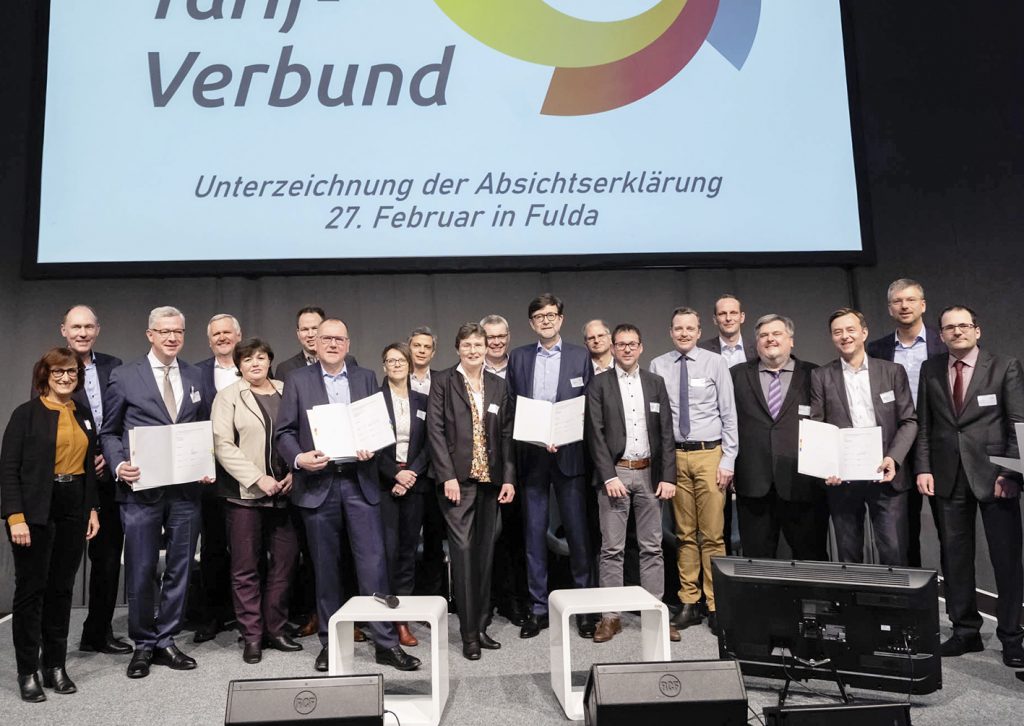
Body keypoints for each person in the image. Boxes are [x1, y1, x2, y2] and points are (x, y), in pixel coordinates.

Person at [274, 318, 420, 673]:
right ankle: (331, 641)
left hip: (360, 484)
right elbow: (284, 432)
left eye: (339, 338)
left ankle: (385, 643)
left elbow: (375, 426)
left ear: (348, 343)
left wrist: (372, 444)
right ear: (315, 342)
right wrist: (298, 458)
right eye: (326, 338)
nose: (333, 344)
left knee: (374, 568)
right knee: (326, 572)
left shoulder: (365, 377)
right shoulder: (297, 380)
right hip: (317, 485)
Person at [99, 306, 214, 679]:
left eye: (178, 332)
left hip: (185, 492)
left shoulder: (196, 374)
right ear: (150, 334)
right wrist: (118, 465)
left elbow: (204, 427)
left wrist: (206, 463)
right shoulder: (124, 375)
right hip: (140, 490)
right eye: (164, 331)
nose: (171, 338)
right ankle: (143, 644)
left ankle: (166, 639)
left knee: (180, 568)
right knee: (141, 568)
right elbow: (110, 432)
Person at [915, 305, 1024, 668]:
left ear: (977, 330)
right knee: (955, 558)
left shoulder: (1003, 365)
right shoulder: (930, 369)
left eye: (964, 326)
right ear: (941, 334)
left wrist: (1011, 475)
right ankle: (965, 631)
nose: (957, 332)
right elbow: (926, 425)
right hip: (947, 475)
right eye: (949, 328)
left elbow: (1018, 423)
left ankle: (1012, 636)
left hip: (996, 477)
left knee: (1006, 560)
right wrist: (924, 467)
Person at [2, 348, 100, 702]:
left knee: (62, 590)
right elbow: (9, 470)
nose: (65, 377)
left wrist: (92, 509)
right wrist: (16, 517)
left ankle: (54, 665)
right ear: (44, 374)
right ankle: (27, 671)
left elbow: (88, 468)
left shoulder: (83, 414)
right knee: (31, 593)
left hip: (73, 506)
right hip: (34, 510)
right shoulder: (26, 414)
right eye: (57, 371)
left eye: (71, 371)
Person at [506, 293, 595, 639]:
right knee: (534, 536)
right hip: (532, 456)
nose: (546, 320)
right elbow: (512, 406)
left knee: (578, 534)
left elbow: (589, 406)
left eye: (551, 314)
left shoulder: (579, 356)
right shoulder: (519, 357)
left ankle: (585, 609)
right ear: (532, 323)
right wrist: (534, 437)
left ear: (561, 319)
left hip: (571, 455)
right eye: (539, 316)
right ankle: (538, 608)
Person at [584, 324, 679, 643]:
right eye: (620, 344)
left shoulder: (655, 383)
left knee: (653, 548)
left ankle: (656, 615)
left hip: (651, 475)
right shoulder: (599, 384)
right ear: (612, 347)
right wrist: (608, 475)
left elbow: (666, 433)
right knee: (612, 549)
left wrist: (668, 476)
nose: (626, 349)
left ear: (641, 348)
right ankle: (610, 617)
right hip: (616, 475)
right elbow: (594, 434)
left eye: (632, 344)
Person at [427, 323, 515, 659]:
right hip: (456, 484)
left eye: (479, 344)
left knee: (484, 555)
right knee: (462, 555)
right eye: (468, 345)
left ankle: (480, 625)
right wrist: (446, 475)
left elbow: (506, 435)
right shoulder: (443, 382)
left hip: (490, 483)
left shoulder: (498, 385)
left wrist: (508, 478)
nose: (475, 350)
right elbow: (434, 431)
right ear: (458, 348)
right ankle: (468, 636)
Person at [211, 338, 301, 664]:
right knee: (245, 568)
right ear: (239, 365)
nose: (255, 364)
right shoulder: (228, 397)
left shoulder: (286, 389)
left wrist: (295, 471)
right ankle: (252, 635)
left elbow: (301, 433)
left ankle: (275, 628)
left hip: (286, 492)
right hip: (245, 496)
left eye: (261, 358)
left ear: (269, 360)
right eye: (247, 359)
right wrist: (256, 478)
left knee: (285, 562)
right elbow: (222, 445)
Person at [650, 306, 737, 635]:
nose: (684, 333)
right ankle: (689, 602)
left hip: (709, 455)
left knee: (713, 536)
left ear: (699, 332)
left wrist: (728, 460)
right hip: (675, 457)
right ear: (670, 332)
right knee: (685, 535)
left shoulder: (716, 362)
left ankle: (716, 604)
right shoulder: (659, 365)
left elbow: (728, 414)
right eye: (678, 328)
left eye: (690, 328)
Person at [810, 308, 917, 566]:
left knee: (894, 551)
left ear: (864, 333)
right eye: (838, 332)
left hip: (886, 475)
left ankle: (893, 606)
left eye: (850, 330)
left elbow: (909, 421)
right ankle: (854, 607)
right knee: (849, 554)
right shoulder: (821, 376)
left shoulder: (892, 371)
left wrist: (894, 458)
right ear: (832, 338)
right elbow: (817, 424)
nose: (845, 336)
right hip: (843, 481)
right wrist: (827, 466)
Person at [59, 305, 130, 656]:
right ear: (64, 331)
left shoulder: (115, 366)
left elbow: (124, 417)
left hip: (111, 478)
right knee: (66, 563)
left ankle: (97, 633)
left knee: (106, 562)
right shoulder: (54, 366)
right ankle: (53, 640)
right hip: (72, 480)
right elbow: (51, 425)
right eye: (76, 327)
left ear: (97, 330)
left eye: (88, 326)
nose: (82, 333)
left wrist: (111, 458)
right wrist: (90, 460)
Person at [731, 314, 828, 560]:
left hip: (802, 483)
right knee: (757, 560)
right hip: (753, 483)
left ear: (791, 340)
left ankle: (813, 599)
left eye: (777, 334)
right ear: (756, 342)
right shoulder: (737, 375)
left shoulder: (813, 374)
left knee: (811, 555)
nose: (770, 339)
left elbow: (826, 422)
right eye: (763, 335)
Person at [866, 278, 946, 568]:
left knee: (950, 532)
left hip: (939, 444)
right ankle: (913, 602)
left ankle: (955, 605)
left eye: (910, 299)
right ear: (889, 308)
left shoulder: (944, 342)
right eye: (898, 301)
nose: (904, 305)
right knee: (902, 532)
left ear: (922, 305)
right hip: (895, 447)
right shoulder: (876, 350)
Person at [192, 313, 243, 643]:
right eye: (216, 334)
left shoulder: (256, 367)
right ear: (209, 340)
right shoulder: (195, 373)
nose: (223, 338)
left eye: (228, 332)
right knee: (212, 548)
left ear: (239, 336)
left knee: (248, 548)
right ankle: (211, 616)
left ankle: (246, 616)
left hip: (250, 472)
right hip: (210, 474)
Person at [377, 342, 430, 648]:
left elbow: (431, 443)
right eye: (390, 360)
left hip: (414, 484)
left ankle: (401, 621)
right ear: (384, 366)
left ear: (410, 365)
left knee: (408, 554)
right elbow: (368, 447)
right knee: (386, 554)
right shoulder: (373, 401)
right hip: (383, 484)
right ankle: (381, 619)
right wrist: (394, 474)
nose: (396, 364)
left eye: (401, 360)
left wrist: (409, 475)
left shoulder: (423, 400)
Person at [699, 294, 755, 556]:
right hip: (716, 445)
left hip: (754, 441)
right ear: (714, 319)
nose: (729, 318)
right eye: (722, 314)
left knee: (754, 516)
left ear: (742, 317)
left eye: (733, 313)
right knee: (718, 520)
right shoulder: (702, 351)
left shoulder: (760, 348)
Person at [275, 306, 357, 381]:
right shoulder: (285, 369)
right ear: (298, 333)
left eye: (315, 328)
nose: (310, 334)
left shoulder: (348, 361)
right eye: (305, 329)